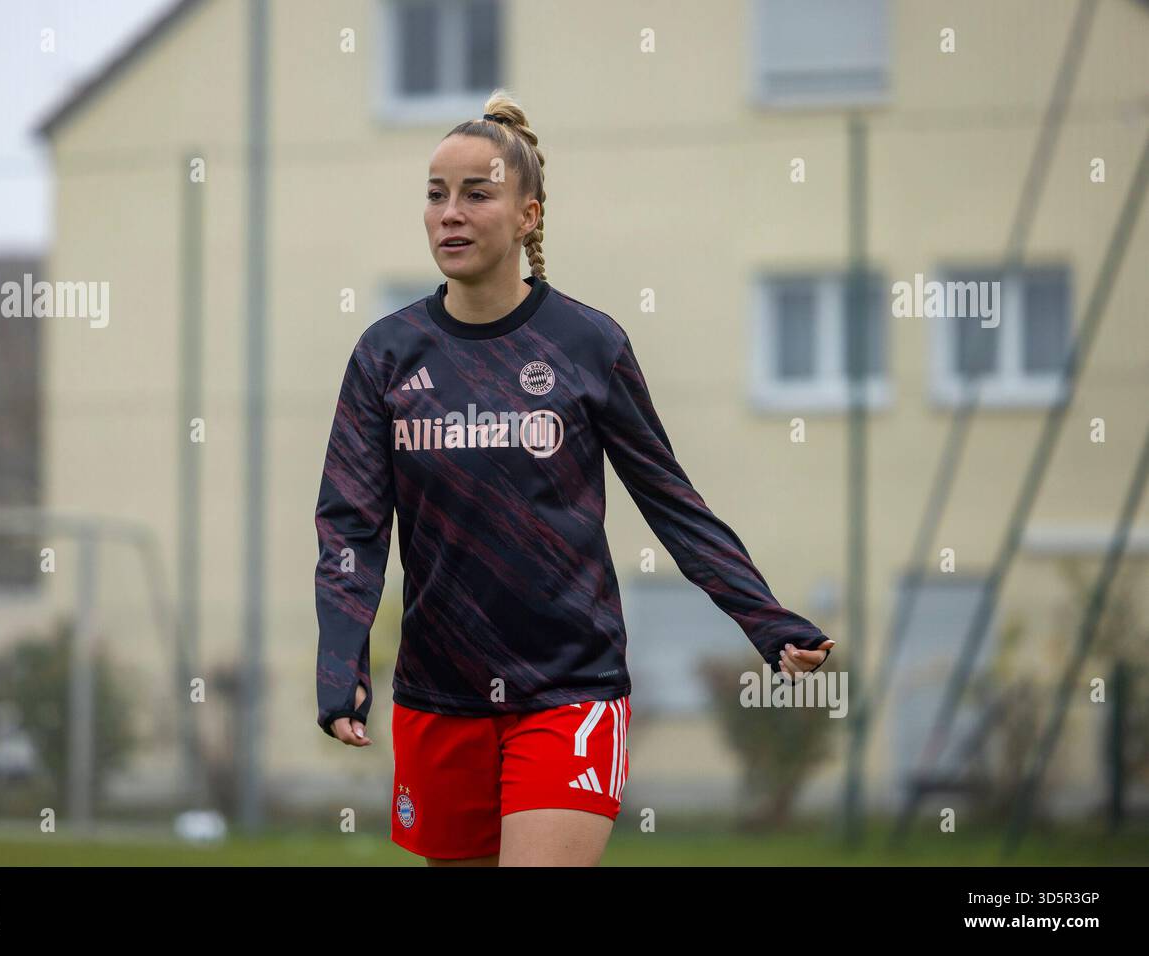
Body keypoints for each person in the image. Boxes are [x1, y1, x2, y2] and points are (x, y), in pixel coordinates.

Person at [314, 89, 835, 867]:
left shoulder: (587, 345)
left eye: (476, 194)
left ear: (528, 215)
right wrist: (341, 655)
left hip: (570, 692)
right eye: (435, 195)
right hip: (439, 693)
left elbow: (671, 500)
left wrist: (764, 618)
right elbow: (352, 523)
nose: (450, 214)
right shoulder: (387, 356)